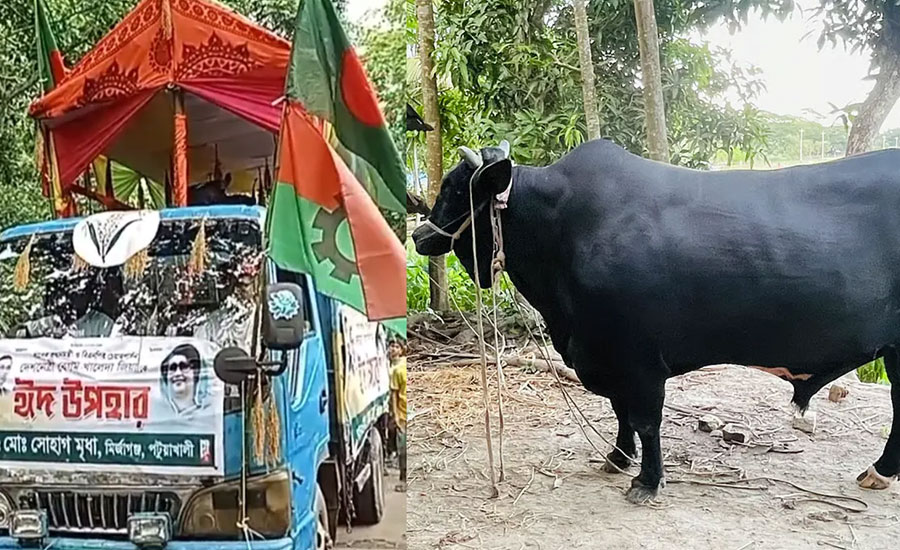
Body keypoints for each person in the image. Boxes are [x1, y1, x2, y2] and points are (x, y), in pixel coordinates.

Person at [160, 344, 203, 416]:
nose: (178, 373)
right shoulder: (160, 416)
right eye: (172, 368)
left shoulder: (206, 414)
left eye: (184, 366)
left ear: (195, 372)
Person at [388, 339, 407, 491]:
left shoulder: (404, 366)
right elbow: (394, 394)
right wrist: (395, 415)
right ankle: (403, 478)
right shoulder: (396, 370)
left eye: (396, 346)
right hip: (402, 414)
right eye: (391, 346)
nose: (393, 349)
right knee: (403, 450)